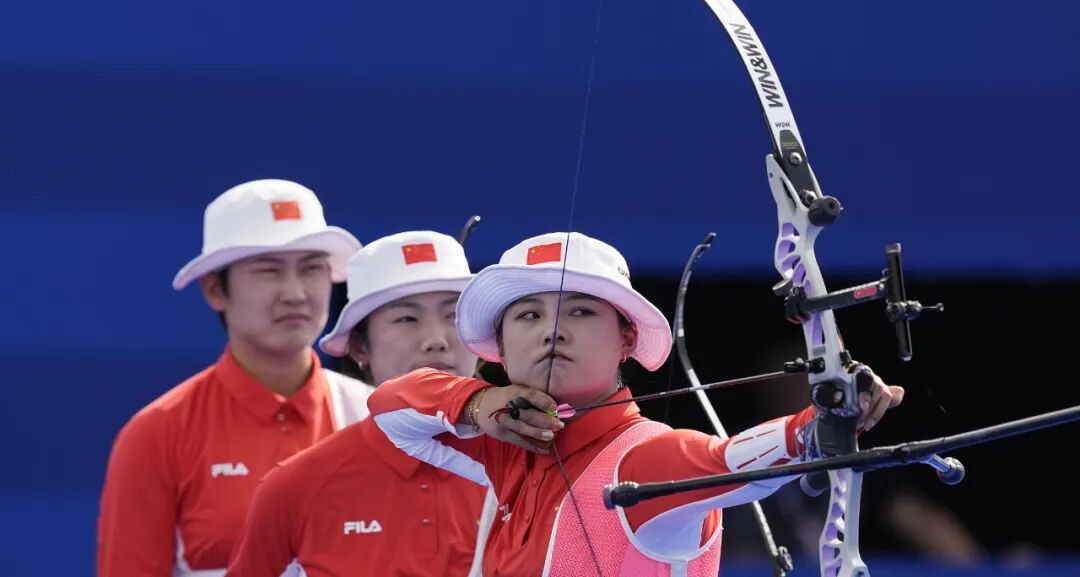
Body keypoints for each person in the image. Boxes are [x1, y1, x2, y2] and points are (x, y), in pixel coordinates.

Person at [366, 232, 904, 576]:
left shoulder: (642, 460)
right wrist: (478, 402)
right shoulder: (506, 448)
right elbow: (390, 406)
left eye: (580, 312)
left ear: (626, 338)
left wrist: (822, 422)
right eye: (529, 315)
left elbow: (729, 461)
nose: (553, 330)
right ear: (501, 350)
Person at [97, 179, 373, 577]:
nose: (295, 293)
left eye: (312, 268)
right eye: (268, 270)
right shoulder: (157, 433)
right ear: (215, 289)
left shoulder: (376, 417)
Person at [226, 231, 497, 577]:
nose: (436, 340)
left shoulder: (527, 468)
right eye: (406, 319)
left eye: (453, 316)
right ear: (359, 347)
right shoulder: (295, 486)